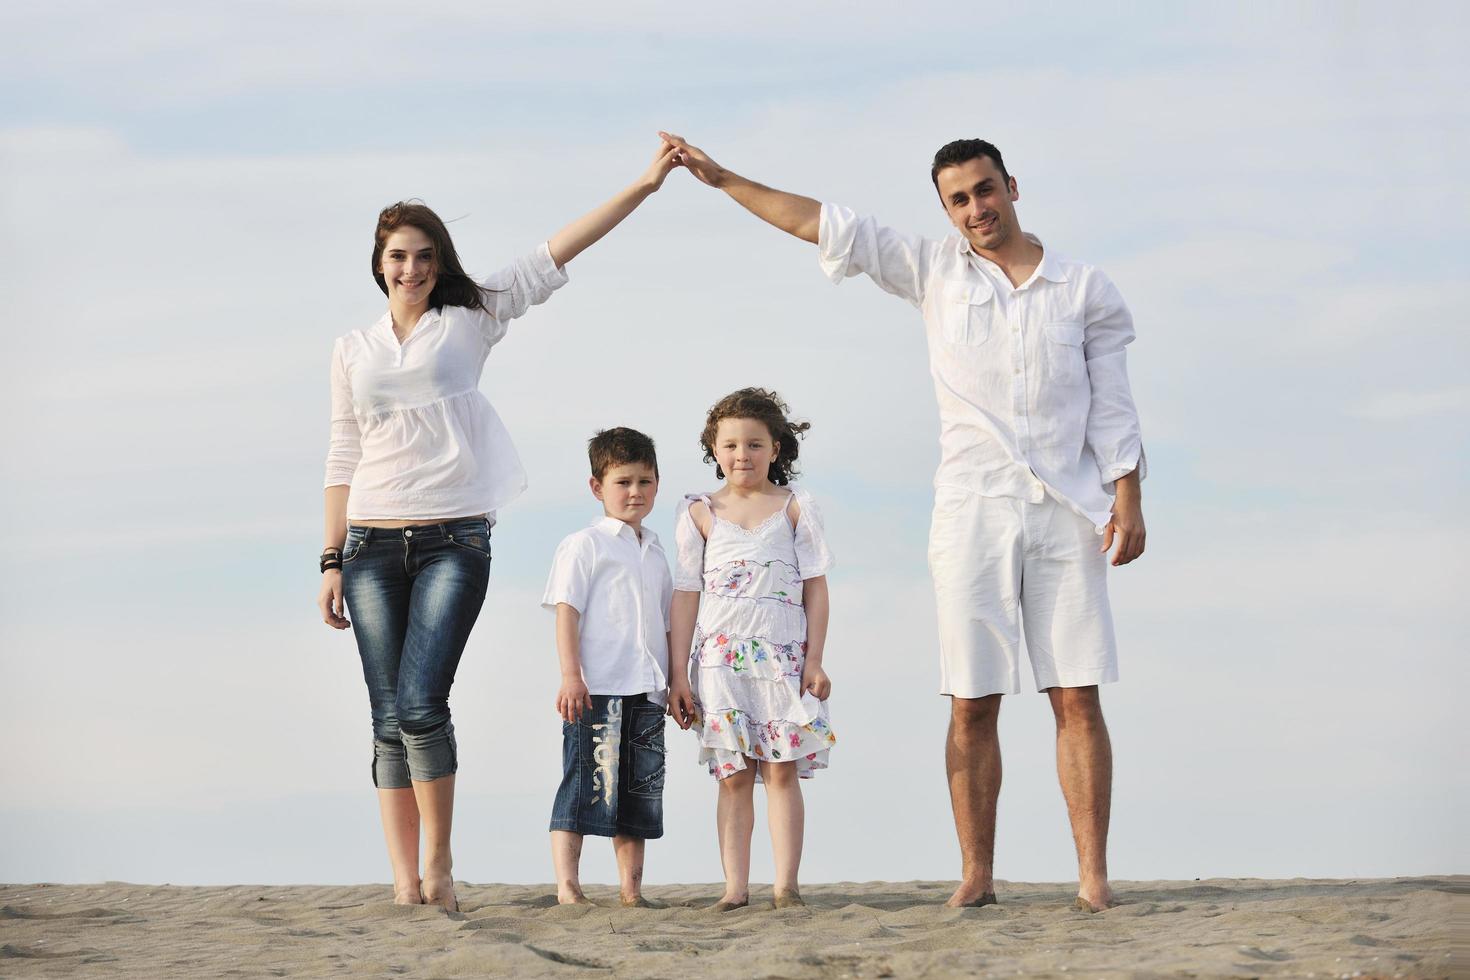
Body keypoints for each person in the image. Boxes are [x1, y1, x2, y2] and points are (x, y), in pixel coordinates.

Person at [660, 132, 1146, 912]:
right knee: (971, 700)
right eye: (958, 199)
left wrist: (1128, 492)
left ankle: (1092, 879)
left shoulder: (1083, 289)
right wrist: (721, 180)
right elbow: (817, 222)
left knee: (1077, 696)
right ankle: (977, 876)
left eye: (985, 190)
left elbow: (1113, 401)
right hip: (970, 513)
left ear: (1012, 187)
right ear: (946, 210)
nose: (975, 209)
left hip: (1067, 513)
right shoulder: (932, 270)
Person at [316, 142, 680, 912]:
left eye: (422, 255)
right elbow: (341, 455)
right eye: (397, 257)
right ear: (378, 264)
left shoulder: (472, 314)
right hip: (370, 542)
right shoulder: (352, 349)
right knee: (386, 717)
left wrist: (645, 185)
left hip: (454, 539)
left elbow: (558, 248)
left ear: (438, 260)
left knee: (421, 702)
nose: (410, 268)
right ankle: (405, 880)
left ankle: (441, 862)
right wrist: (329, 558)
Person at [667, 388, 836, 911]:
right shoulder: (699, 511)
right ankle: (734, 889)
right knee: (735, 775)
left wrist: (814, 659)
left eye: (755, 444)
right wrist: (679, 676)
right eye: (732, 445)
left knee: (781, 769)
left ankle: (786, 886)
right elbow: (685, 594)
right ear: (714, 450)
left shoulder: (795, 508)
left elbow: (816, 588)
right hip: (719, 662)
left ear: (777, 448)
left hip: (783, 658)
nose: (743, 455)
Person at [542, 427, 673, 908]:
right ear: (597, 487)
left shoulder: (657, 550)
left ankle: (631, 891)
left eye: (645, 481)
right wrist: (571, 675)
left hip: (647, 689)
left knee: (640, 789)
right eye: (623, 482)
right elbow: (566, 612)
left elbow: (666, 623)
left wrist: (676, 682)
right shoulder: (584, 545)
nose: (635, 491)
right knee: (583, 782)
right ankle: (568, 887)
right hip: (595, 688)